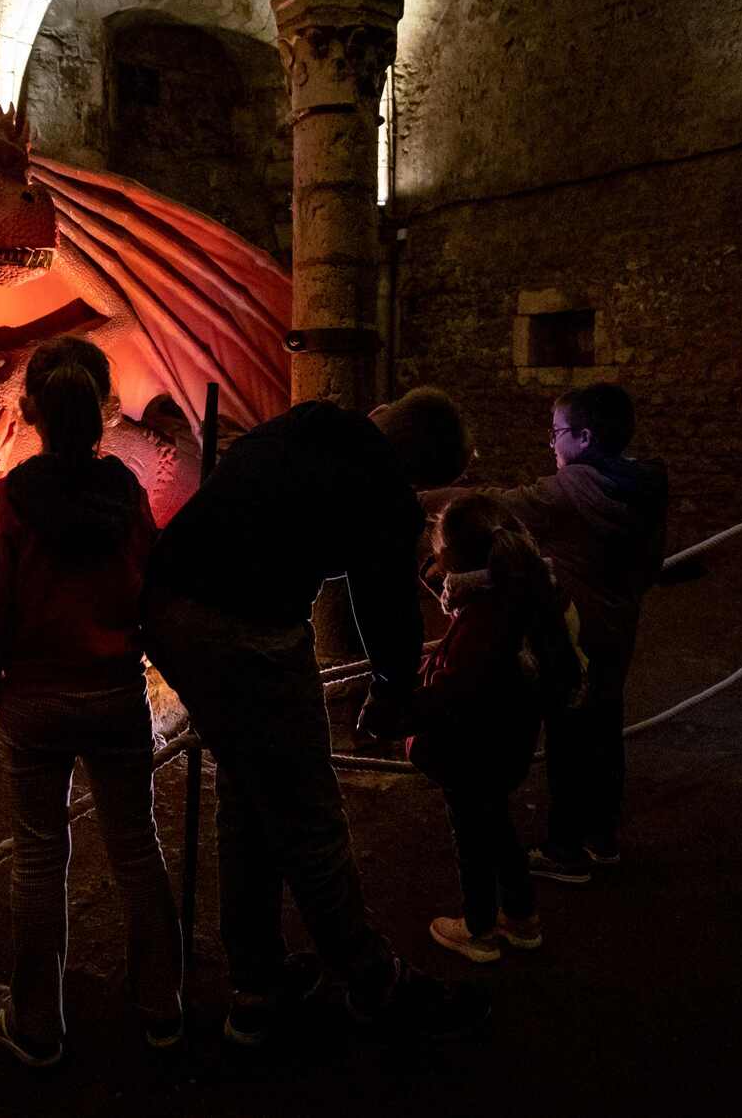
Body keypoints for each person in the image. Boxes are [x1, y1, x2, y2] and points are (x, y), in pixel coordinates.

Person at [142, 387, 488, 1045]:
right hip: (248, 630)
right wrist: (391, 689)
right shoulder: (381, 481)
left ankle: (257, 982)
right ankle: (372, 979)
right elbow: (387, 603)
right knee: (307, 812)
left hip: (170, 604)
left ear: (385, 413)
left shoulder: (310, 424)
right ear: (417, 467)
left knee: (248, 794)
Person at [0, 336, 182, 1067]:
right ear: (99, 413)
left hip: (35, 700)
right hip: (114, 692)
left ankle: (38, 1024)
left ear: (35, 415)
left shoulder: (8, 502)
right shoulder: (124, 492)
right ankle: (161, 1006)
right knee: (136, 848)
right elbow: (149, 582)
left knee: (37, 859)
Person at [363, 493, 582, 963]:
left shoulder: (484, 621)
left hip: (470, 748)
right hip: (507, 742)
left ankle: (479, 928)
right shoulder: (517, 589)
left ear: (455, 559)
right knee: (498, 827)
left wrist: (391, 717)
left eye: (438, 551)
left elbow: (450, 692)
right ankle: (522, 917)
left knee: (473, 838)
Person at [486, 383, 667, 885]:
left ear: (584, 437)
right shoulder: (645, 488)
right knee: (606, 730)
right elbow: (652, 566)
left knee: (566, 737)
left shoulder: (567, 491)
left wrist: (422, 497)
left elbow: (495, 506)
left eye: (557, 432)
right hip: (618, 629)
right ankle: (601, 837)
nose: (551, 443)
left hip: (572, 634)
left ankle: (564, 849)